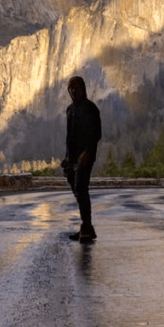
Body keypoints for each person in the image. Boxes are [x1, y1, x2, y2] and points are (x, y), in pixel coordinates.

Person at [62, 76, 101, 242]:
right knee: (77, 191)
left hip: (85, 156)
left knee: (81, 189)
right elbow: (69, 135)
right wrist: (66, 157)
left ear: (83, 88)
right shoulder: (70, 110)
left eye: (76, 87)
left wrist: (88, 153)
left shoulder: (91, 108)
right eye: (70, 88)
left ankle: (86, 227)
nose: (73, 90)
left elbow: (96, 134)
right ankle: (87, 226)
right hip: (71, 157)